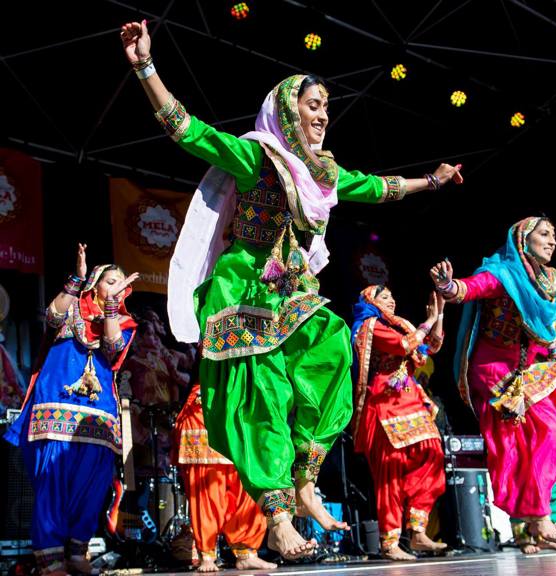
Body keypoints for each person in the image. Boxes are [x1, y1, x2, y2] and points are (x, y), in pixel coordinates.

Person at [120, 19, 463, 559]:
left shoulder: (322, 176)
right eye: (313, 105)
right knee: (263, 398)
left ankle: (303, 482)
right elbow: (186, 129)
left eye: (327, 106)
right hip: (243, 293)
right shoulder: (258, 157)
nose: (323, 114)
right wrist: (145, 65)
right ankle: (278, 517)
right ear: (287, 111)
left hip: (290, 294)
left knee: (330, 349)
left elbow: (378, 187)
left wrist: (432, 181)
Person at [430, 217, 556, 548]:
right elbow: (468, 289)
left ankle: (533, 522)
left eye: (554, 235)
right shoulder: (504, 275)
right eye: (544, 234)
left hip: (530, 370)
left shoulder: (552, 280)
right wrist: (448, 286)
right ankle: (537, 519)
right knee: (537, 437)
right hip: (494, 370)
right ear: (523, 241)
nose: (552, 241)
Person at [3, 244, 139, 576]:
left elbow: (111, 347)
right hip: (56, 404)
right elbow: (51, 316)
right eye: (110, 280)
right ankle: (49, 558)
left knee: (92, 483)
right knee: (52, 479)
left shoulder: (123, 320)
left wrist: (110, 305)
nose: (116, 286)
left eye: (122, 283)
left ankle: (78, 549)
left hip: (97, 413)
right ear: (94, 282)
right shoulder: (74, 306)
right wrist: (75, 281)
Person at [351, 284, 447, 560]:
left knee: (432, 454)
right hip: (384, 402)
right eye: (384, 296)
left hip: (410, 398)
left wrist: (439, 314)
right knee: (389, 475)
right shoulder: (370, 326)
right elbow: (406, 345)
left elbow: (429, 347)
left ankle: (417, 531)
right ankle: (390, 541)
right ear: (370, 301)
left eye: (392, 295)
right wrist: (427, 322)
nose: (391, 300)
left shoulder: (398, 326)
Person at [172, 383, 278, 572]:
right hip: (206, 405)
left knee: (248, 486)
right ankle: (207, 554)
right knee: (207, 490)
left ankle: (247, 553)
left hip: (244, 402)